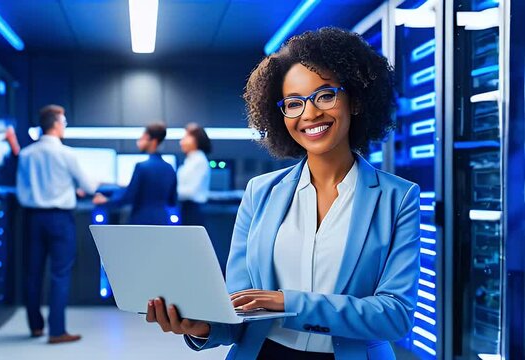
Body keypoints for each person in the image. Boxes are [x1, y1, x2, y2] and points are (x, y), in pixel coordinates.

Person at [145, 27, 421, 360]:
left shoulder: (398, 198)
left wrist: (288, 302)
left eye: (325, 95)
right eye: (293, 103)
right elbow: (239, 311)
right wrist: (200, 326)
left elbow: (395, 316)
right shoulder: (260, 192)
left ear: (357, 99)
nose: (309, 113)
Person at [16, 104, 97, 344]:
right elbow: (90, 187)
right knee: (60, 274)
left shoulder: (26, 154)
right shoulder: (66, 153)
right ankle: (57, 331)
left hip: (33, 218)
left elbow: (22, 192)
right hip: (60, 219)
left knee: (32, 273)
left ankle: (36, 327)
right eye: (64, 123)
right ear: (57, 124)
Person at [93, 122, 177, 225]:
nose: (139, 141)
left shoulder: (142, 167)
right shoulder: (170, 168)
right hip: (162, 220)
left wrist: (106, 200)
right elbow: (172, 200)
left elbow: (129, 196)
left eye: (143, 138)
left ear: (153, 141)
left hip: (141, 220)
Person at [177, 123, 212, 225]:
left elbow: (190, 191)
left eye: (185, 138)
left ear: (196, 139)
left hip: (194, 210)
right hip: (186, 208)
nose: (181, 142)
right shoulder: (190, 160)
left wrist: (169, 192)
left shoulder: (199, 161)